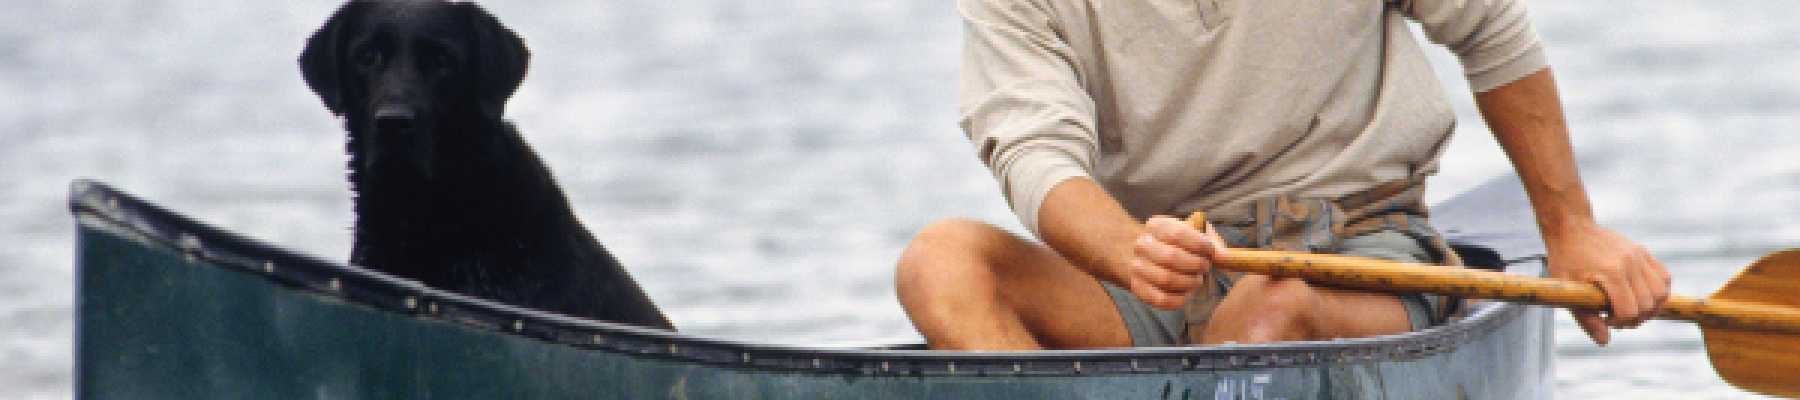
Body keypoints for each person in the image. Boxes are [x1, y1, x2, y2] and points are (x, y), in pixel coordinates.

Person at [895, 0, 1672, 350]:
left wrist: (1570, 230)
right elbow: (1032, 151)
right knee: (941, 263)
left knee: (1265, 318)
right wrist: (1132, 251)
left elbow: (1492, 30)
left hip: (1361, 249)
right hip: (1152, 275)